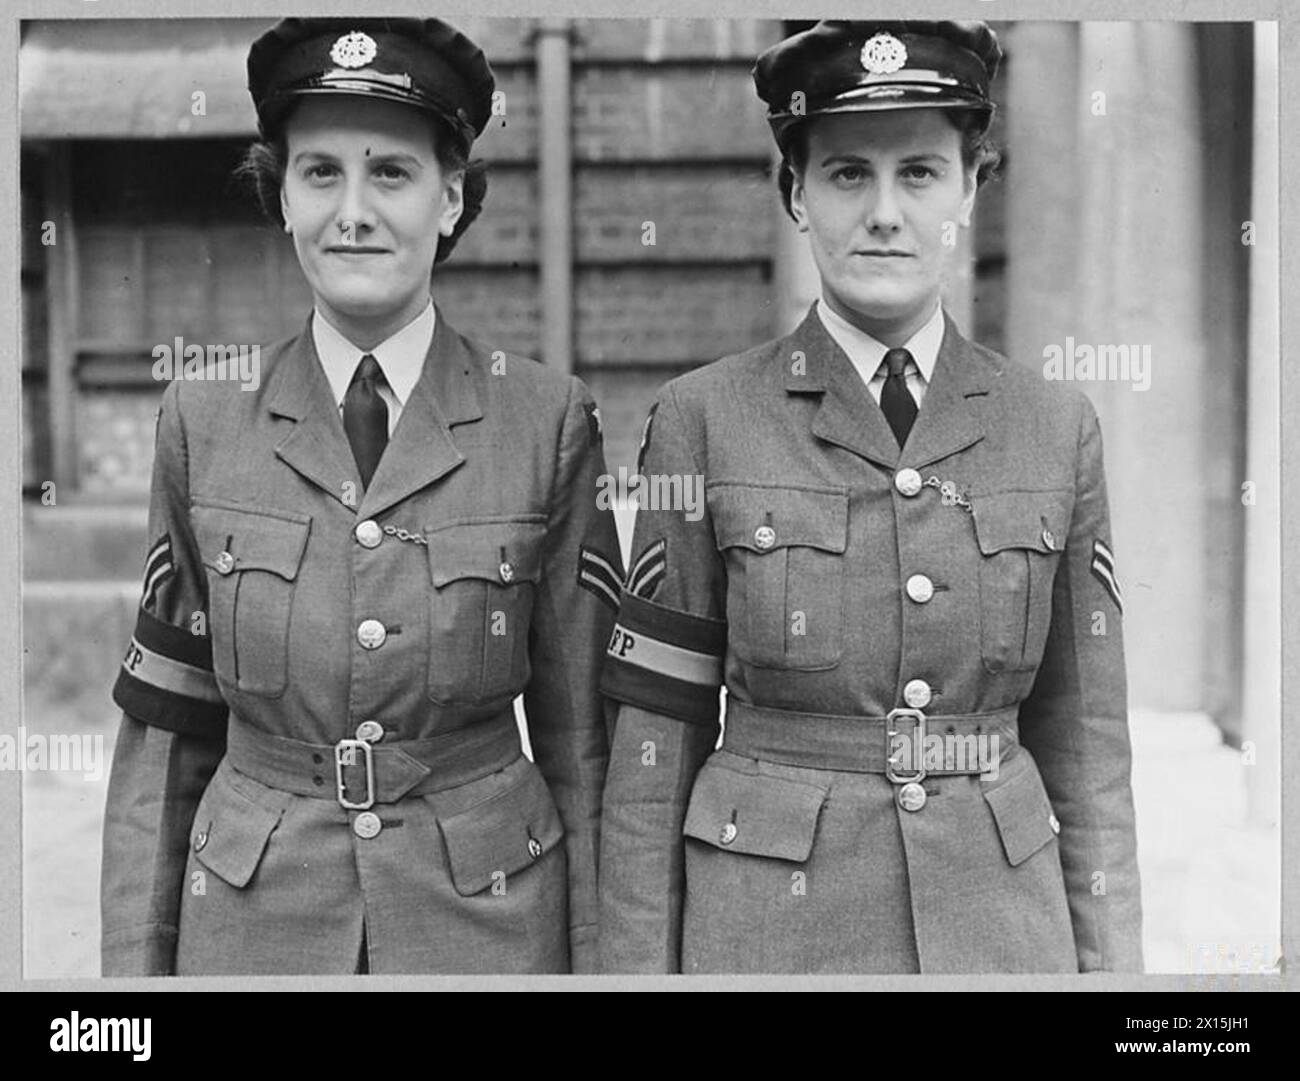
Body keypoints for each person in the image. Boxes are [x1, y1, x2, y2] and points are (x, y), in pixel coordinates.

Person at [598, 19, 1143, 973]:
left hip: (998, 933)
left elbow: (1088, 748)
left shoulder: (1054, 427)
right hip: (772, 931)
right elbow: (655, 748)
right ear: (796, 195)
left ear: (970, 191)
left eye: (921, 174)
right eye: (848, 173)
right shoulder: (703, 418)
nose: (885, 212)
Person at [100, 17, 621, 975]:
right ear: (283, 198)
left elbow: (583, 747)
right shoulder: (201, 424)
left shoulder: (546, 421)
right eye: (320, 172)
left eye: (391, 172)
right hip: (258, 924)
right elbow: (162, 742)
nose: (354, 211)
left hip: (487, 924)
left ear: (451, 197)